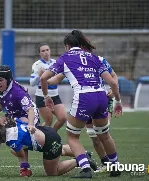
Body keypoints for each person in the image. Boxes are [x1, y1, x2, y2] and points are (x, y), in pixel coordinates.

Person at [0, 65, 92, 177]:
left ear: (8, 80)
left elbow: (29, 109)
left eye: (0, 80)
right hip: (12, 115)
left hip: (28, 115)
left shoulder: (18, 92)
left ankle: (24, 168)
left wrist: (30, 125)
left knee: (18, 135)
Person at [40, 30, 123, 178]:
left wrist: (46, 96)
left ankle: (86, 168)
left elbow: (44, 78)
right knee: (104, 134)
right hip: (101, 96)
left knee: (72, 136)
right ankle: (115, 166)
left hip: (84, 97)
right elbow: (112, 82)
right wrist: (118, 101)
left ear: (67, 46)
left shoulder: (65, 58)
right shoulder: (94, 57)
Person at [69, 30, 119, 173]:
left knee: (102, 133)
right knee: (93, 136)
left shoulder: (99, 60)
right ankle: (106, 163)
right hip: (86, 100)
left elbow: (113, 76)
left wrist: (113, 90)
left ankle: (114, 164)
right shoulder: (73, 61)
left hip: (102, 99)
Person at [0, 117, 97, 177]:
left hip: (48, 142)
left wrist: (14, 151)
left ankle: (80, 160)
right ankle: (84, 155)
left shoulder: (11, 140)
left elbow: (21, 154)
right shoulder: (10, 125)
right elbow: (23, 121)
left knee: (52, 172)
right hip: (47, 132)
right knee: (59, 149)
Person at [30, 43, 67, 130]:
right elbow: (32, 83)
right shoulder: (37, 65)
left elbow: (60, 77)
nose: (46, 52)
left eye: (47, 50)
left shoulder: (55, 63)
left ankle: (52, 136)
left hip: (55, 94)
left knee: (63, 118)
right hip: (42, 95)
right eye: (43, 51)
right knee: (48, 121)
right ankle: (37, 137)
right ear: (39, 53)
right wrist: (39, 75)